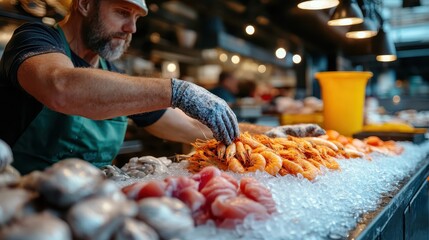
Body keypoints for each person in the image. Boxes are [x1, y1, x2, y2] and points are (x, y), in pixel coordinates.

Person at [0, 0, 239, 174]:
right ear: (84, 4)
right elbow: (61, 86)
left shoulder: (113, 75)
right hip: (22, 203)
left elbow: (189, 127)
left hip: (92, 208)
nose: (132, 29)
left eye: (136, 18)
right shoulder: (35, 38)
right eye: (123, 12)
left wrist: (253, 134)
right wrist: (177, 91)